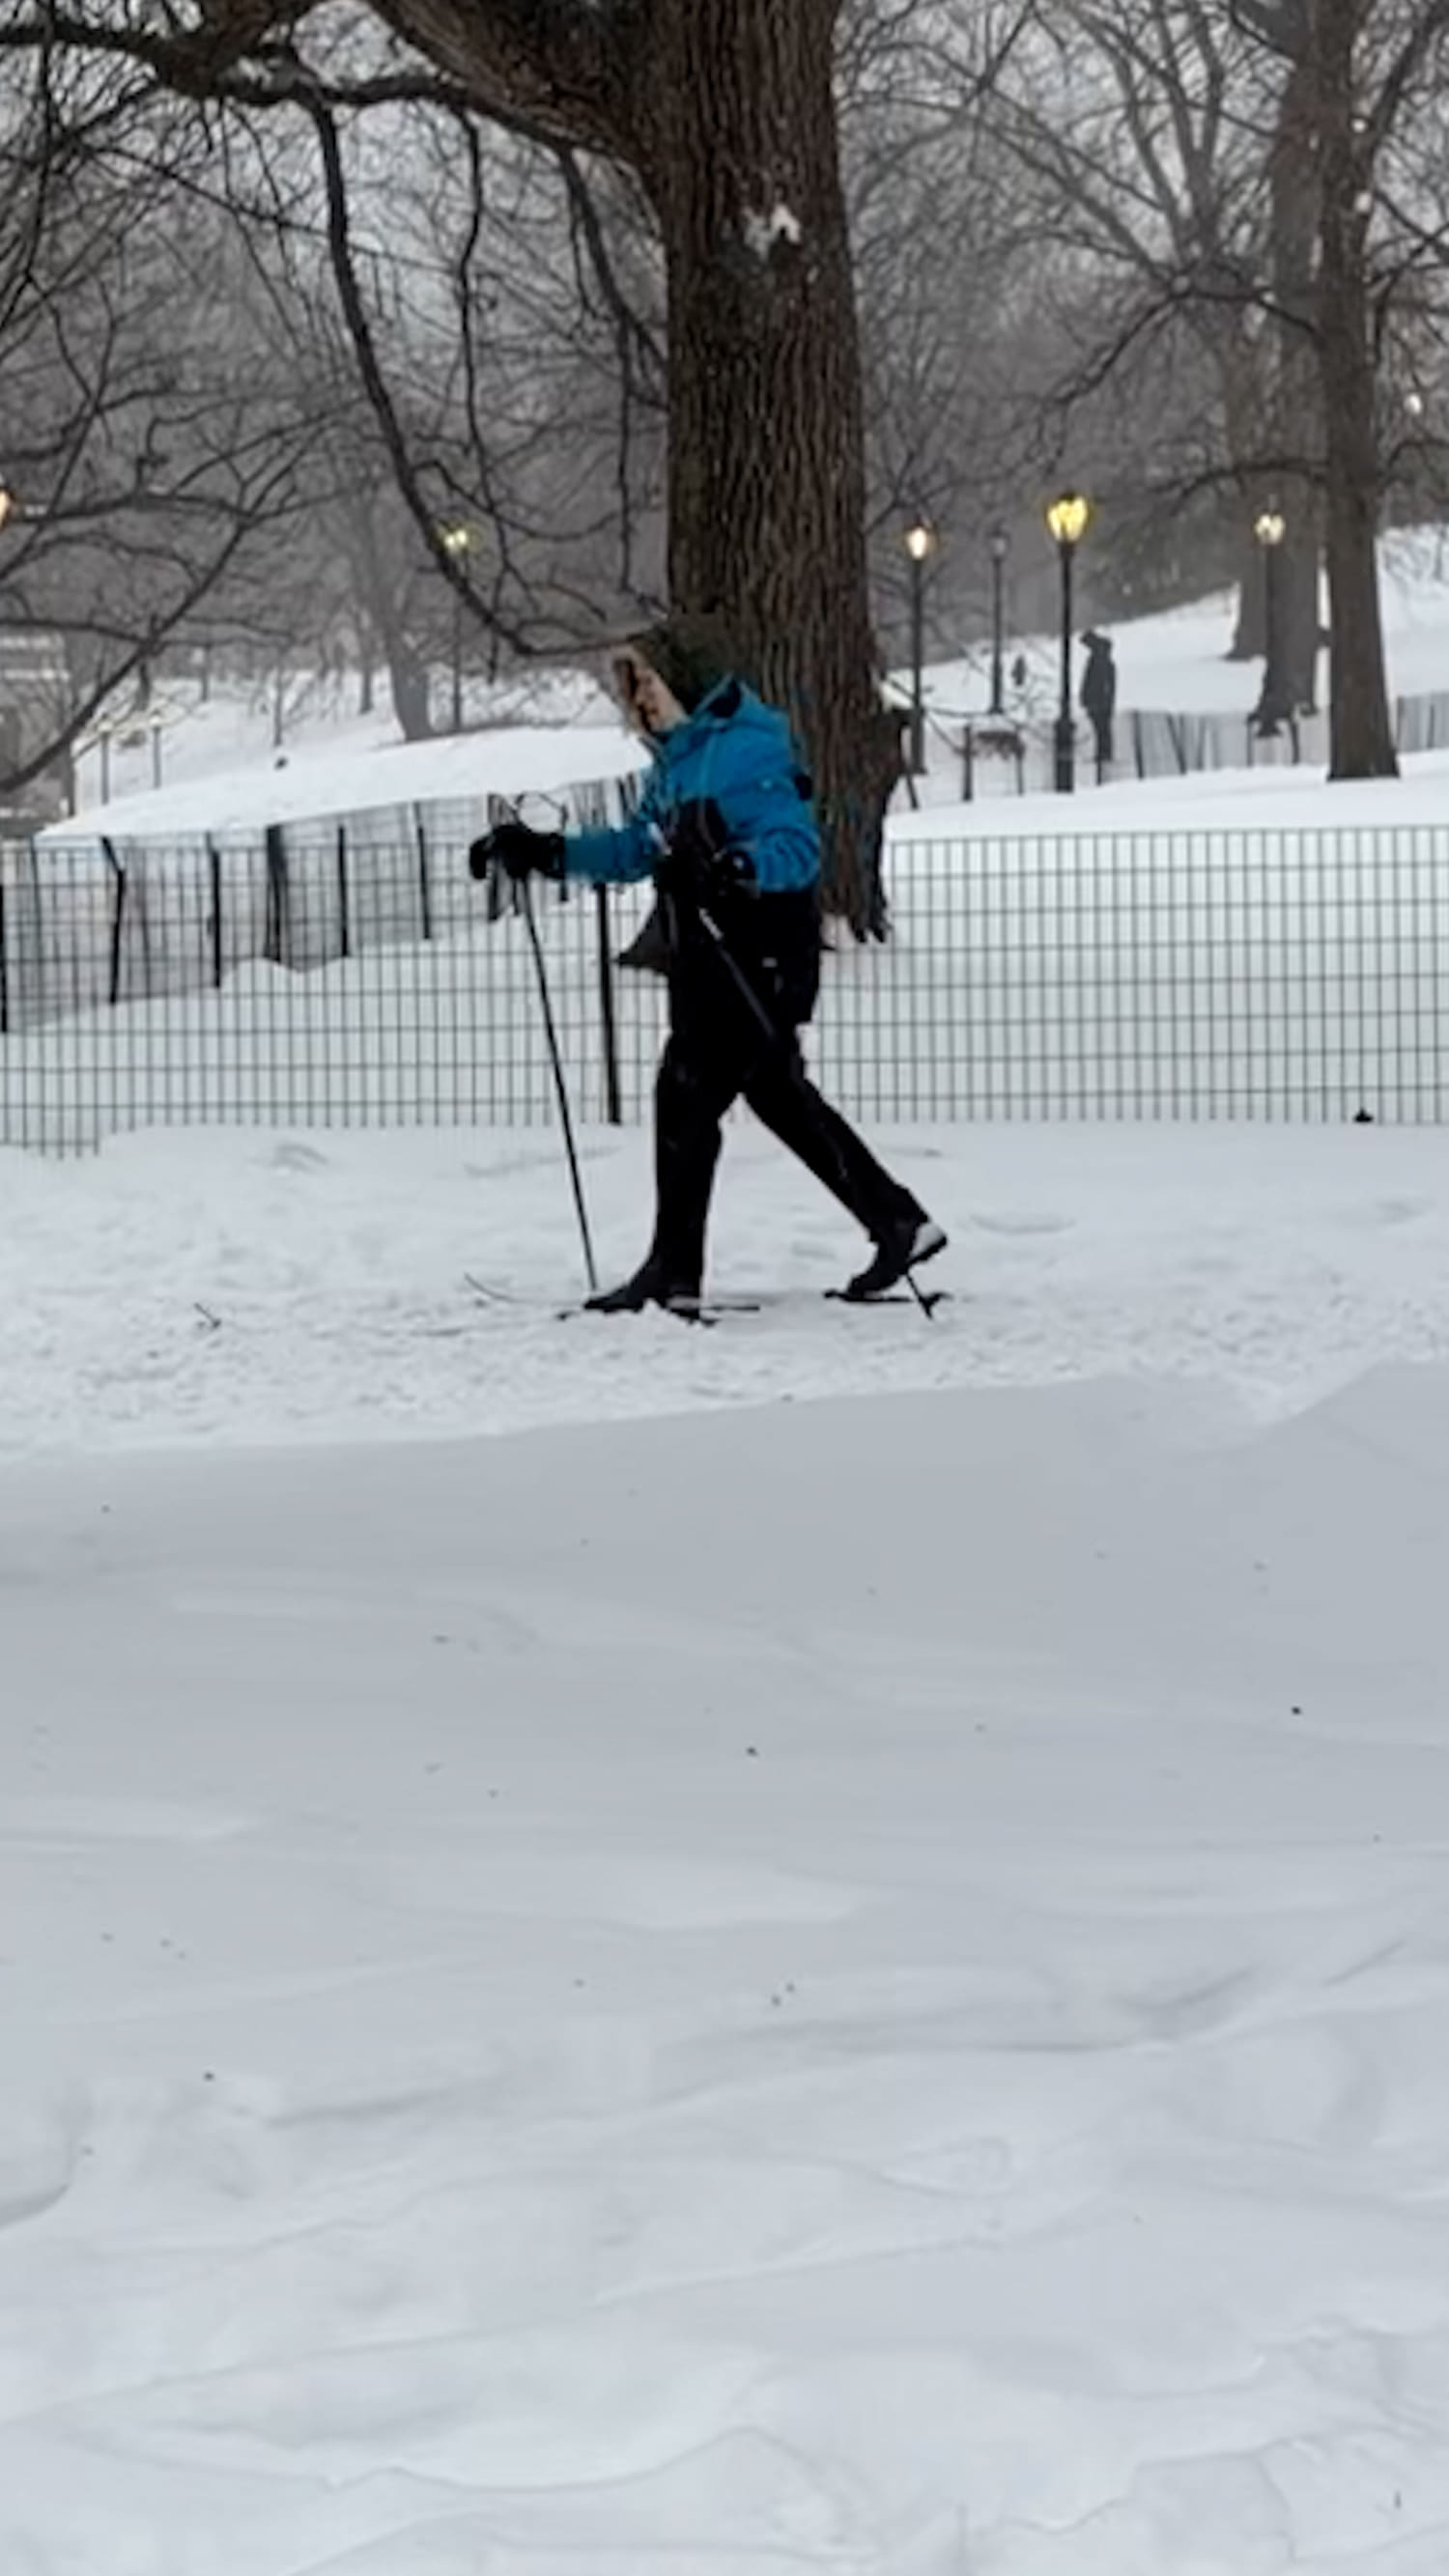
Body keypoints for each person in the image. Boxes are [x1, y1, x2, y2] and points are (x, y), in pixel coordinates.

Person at [468, 613, 946, 1314]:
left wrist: (737, 867)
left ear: (688, 682)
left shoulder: (747, 749)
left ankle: (673, 1272)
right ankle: (898, 1220)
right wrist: (547, 851)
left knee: (687, 1095)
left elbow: (796, 846)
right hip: (712, 959)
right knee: (778, 1095)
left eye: (651, 684)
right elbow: (638, 849)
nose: (642, 700)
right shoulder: (675, 764)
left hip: (759, 954)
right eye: (631, 689)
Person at [1080, 630, 1117, 772]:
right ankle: (1104, 752)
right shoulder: (1101, 658)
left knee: (1101, 728)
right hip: (1101, 700)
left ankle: (1104, 753)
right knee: (1103, 728)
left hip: (1098, 701)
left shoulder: (1098, 659)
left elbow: (1093, 681)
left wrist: (1088, 698)